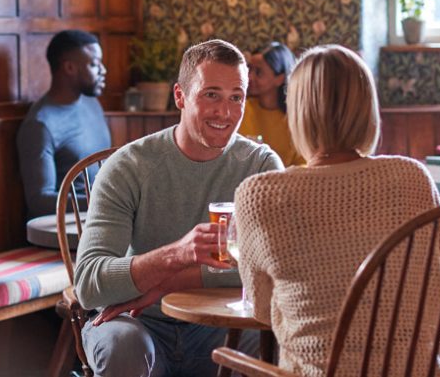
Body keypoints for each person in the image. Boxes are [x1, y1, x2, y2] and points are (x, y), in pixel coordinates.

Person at [234, 45, 440, 376]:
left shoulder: (260, 196)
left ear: (297, 110)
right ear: (368, 108)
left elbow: (261, 310)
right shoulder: (413, 178)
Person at [73, 39, 284, 377]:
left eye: (236, 97)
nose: (225, 112)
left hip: (225, 325)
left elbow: (276, 270)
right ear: (180, 96)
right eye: (211, 94)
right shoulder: (128, 166)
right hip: (139, 322)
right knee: (123, 345)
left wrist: (168, 282)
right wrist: (176, 254)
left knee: (286, 337)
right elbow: (89, 283)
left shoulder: (260, 165)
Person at [17, 29, 111, 219]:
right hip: (66, 228)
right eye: (94, 64)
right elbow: (39, 202)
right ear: (69, 68)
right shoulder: (40, 124)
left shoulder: (92, 104)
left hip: (100, 219)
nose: (103, 70)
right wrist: (106, 201)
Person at [239, 42, 305, 167]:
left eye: (258, 72)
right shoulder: (240, 109)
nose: (250, 77)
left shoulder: (295, 119)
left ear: (279, 78)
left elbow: (304, 164)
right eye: (249, 69)